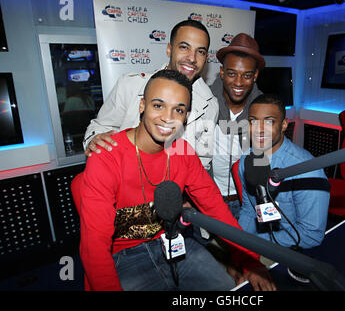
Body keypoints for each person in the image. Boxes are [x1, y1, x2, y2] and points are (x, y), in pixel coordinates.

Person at [76, 69, 276, 291]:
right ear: (142, 105)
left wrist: (249, 260)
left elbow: (216, 210)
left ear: (186, 116)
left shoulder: (183, 152)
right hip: (124, 258)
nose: (167, 118)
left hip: (174, 244)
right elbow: (93, 246)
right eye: (158, 105)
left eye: (178, 109)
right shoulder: (106, 156)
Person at [82, 19, 217, 173]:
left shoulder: (210, 105)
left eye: (200, 51)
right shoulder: (130, 85)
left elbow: (202, 163)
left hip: (173, 191)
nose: (192, 58)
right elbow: (101, 126)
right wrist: (95, 139)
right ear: (169, 49)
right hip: (125, 181)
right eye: (184, 47)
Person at [238, 94, 330, 250]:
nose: (259, 129)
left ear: (284, 125)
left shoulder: (307, 170)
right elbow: (249, 209)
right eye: (253, 121)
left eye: (269, 122)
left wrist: (255, 244)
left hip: (291, 250)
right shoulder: (246, 160)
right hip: (257, 241)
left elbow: (310, 235)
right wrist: (239, 245)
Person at [209, 33, 265, 219]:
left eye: (247, 75)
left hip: (248, 201)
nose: (239, 82)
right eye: (232, 73)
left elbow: (267, 159)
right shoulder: (203, 103)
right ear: (222, 72)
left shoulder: (264, 111)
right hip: (209, 200)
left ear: (255, 75)